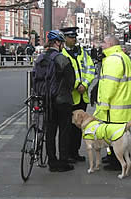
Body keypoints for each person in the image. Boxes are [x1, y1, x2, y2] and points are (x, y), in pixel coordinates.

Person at [94, 35, 131, 171]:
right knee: (119, 136)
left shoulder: (113, 60)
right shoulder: (122, 56)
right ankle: (112, 156)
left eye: (104, 43)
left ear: (111, 44)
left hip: (115, 108)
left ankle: (116, 162)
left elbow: (109, 86)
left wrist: (103, 105)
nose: (102, 45)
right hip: (123, 105)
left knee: (115, 136)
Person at [34, 30, 75, 172]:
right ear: (57, 43)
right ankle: (63, 162)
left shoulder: (40, 58)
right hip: (62, 100)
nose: (63, 45)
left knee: (50, 132)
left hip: (46, 100)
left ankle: (52, 162)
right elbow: (71, 81)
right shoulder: (62, 59)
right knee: (64, 132)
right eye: (62, 42)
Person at [60, 27, 95, 163]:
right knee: (67, 128)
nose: (73, 39)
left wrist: (85, 84)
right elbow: (63, 75)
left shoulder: (82, 53)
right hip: (70, 97)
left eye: (75, 37)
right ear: (65, 39)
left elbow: (91, 69)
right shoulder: (62, 54)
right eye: (70, 37)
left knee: (79, 128)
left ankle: (75, 152)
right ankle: (67, 154)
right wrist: (76, 85)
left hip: (82, 97)